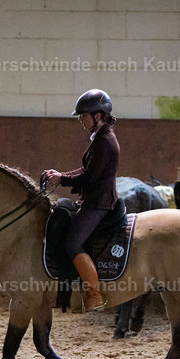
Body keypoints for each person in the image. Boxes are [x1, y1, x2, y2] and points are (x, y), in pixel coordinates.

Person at [42, 89, 120, 312]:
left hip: (99, 203)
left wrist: (63, 179)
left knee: (73, 242)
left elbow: (90, 177)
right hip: (92, 198)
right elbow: (88, 169)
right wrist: (60, 175)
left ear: (98, 115)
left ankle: (93, 295)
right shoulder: (100, 138)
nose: (81, 120)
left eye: (84, 116)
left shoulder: (105, 141)